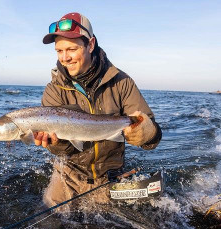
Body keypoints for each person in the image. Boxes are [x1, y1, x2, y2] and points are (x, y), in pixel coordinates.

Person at [34, 12, 162, 208]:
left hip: (110, 177)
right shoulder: (53, 90)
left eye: (71, 49)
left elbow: (153, 137)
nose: (65, 58)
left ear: (91, 44)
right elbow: (64, 149)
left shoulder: (122, 82)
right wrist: (56, 143)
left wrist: (146, 131)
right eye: (59, 51)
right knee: (49, 225)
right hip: (68, 174)